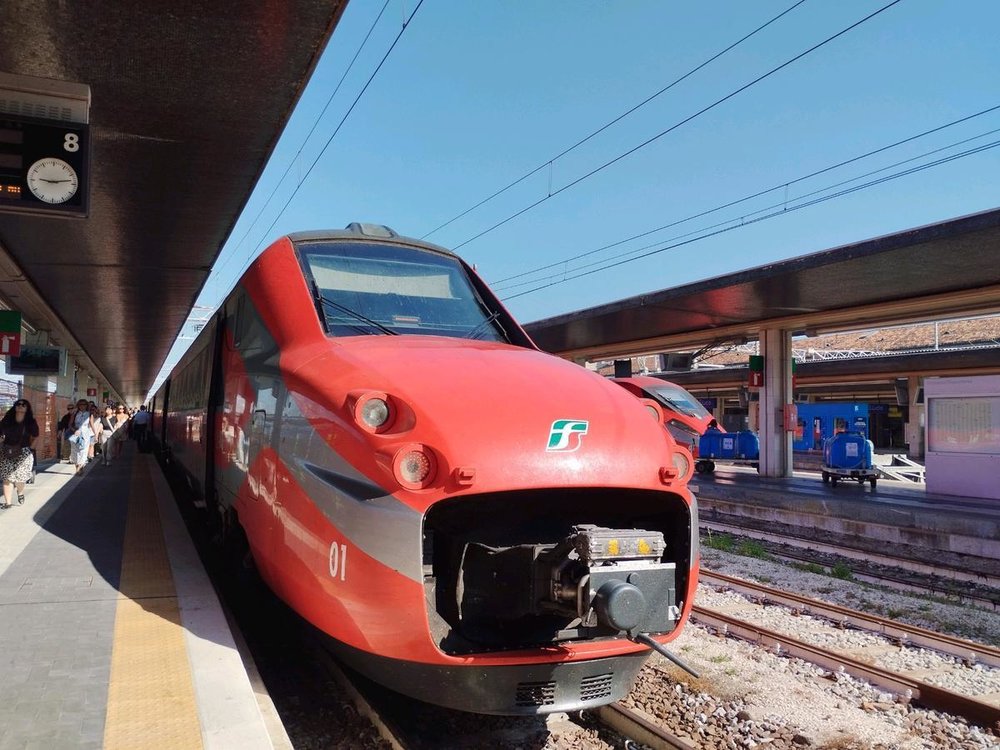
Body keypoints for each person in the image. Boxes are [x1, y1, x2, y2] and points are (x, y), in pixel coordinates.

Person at [0, 399, 39, 509]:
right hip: (7, 451)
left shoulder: (31, 422)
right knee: (7, 477)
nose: (20, 406)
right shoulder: (7, 420)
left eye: (23, 405)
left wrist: (30, 450)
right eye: (18, 404)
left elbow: (36, 437)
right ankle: (8, 503)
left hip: (24, 452)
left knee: (20, 479)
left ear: (27, 408)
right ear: (15, 406)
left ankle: (20, 492)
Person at [69, 399, 95, 475]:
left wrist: (95, 434)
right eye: (80, 404)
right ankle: (77, 466)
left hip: (85, 434)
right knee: (75, 451)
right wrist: (74, 430)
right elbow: (70, 424)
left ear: (86, 405)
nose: (82, 406)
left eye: (84, 404)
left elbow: (92, 425)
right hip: (76, 433)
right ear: (78, 405)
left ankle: (81, 467)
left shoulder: (89, 414)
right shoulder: (74, 413)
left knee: (83, 450)